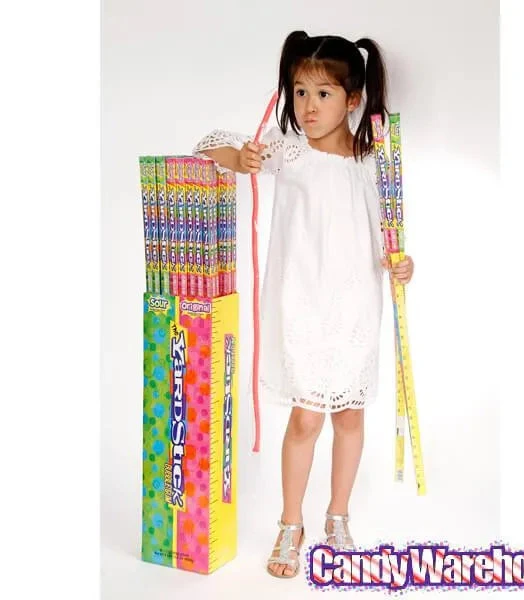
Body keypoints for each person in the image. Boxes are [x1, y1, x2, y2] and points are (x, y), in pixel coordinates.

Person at [192, 30, 414, 579]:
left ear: (352, 98)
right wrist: (241, 156)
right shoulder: (288, 151)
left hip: (355, 305)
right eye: (299, 92)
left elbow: (387, 236)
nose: (308, 106)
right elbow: (209, 147)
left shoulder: (373, 161)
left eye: (323, 93)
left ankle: (337, 516)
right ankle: (291, 523)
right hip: (302, 305)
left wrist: (402, 264)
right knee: (305, 419)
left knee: (350, 415)